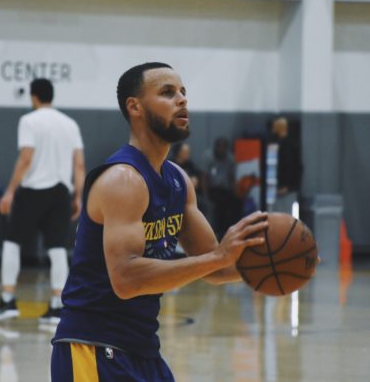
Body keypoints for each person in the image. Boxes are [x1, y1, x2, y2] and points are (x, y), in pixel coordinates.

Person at [50, 62, 268, 381]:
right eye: (167, 92)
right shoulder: (123, 180)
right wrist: (218, 257)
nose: (182, 99)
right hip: (94, 347)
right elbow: (126, 279)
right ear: (134, 107)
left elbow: (217, 268)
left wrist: (273, 265)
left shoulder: (178, 180)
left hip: (143, 349)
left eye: (183, 92)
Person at [0, 78, 85, 325]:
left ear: (33, 97)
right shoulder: (70, 124)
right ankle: (57, 306)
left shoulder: (29, 121)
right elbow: (79, 164)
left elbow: (26, 157)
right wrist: (78, 196)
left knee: (12, 243)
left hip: (32, 191)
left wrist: (9, 191)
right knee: (57, 249)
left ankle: (7, 300)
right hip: (61, 192)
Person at [204, 137, 241, 237]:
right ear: (215, 147)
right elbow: (204, 177)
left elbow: (232, 177)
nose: (221, 149)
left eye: (223, 147)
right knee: (220, 205)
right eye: (219, 147)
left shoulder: (230, 159)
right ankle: (219, 231)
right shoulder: (209, 157)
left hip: (226, 189)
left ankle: (233, 230)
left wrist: (236, 192)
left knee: (237, 203)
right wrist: (205, 194)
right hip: (213, 189)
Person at [268, 117, 303, 214]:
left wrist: (287, 186)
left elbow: (291, 167)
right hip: (280, 189)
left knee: (286, 214)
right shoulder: (278, 143)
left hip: (285, 190)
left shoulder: (287, 145)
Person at [170, 142, 210, 217]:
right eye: (185, 152)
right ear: (178, 152)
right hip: (174, 194)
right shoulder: (170, 163)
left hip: (190, 194)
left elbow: (196, 179)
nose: (188, 154)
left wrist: (195, 180)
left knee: (205, 205)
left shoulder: (190, 164)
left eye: (188, 152)